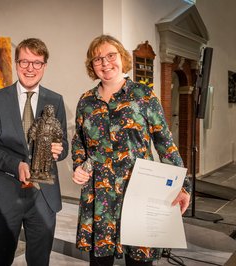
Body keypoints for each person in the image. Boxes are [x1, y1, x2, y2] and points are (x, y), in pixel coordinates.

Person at [71, 34, 191, 266]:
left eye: (110, 56)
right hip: (100, 193)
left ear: (122, 58)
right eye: (98, 59)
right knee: (100, 261)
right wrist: (78, 166)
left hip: (139, 190)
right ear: (91, 66)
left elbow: (165, 143)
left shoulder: (144, 96)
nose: (105, 63)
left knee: (139, 261)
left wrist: (182, 187)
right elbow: (79, 143)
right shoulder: (86, 101)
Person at [0, 38, 68, 266]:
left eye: (37, 63)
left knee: (39, 261)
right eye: (25, 62)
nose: (30, 69)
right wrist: (15, 165)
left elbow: (64, 143)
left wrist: (60, 148)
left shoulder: (55, 100)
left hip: (43, 196)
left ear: (45, 66)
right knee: (1, 258)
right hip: (7, 193)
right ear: (16, 64)